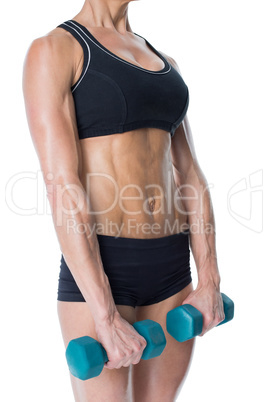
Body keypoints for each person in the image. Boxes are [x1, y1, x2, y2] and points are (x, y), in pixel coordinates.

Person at [22, 0, 225, 400]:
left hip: (172, 271)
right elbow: (63, 187)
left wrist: (209, 279)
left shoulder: (165, 63)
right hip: (102, 271)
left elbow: (190, 175)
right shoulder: (56, 50)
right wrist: (105, 313)